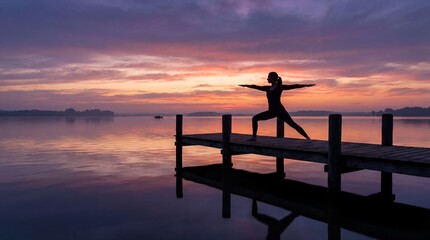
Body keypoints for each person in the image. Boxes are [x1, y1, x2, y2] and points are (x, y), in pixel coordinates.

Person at [239, 72, 315, 141]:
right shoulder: (267, 88)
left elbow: (294, 86)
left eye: (268, 77)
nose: (267, 78)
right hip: (271, 111)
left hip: (280, 111)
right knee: (254, 118)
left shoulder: (280, 87)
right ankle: (254, 137)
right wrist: (246, 85)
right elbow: (256, 87)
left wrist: (306, 85)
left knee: (293, 124)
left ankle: (308, 138)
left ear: (273, 78)